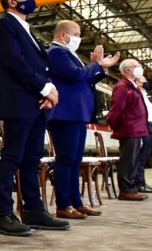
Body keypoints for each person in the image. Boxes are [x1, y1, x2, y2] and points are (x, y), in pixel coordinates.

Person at [0, 0, 70, 236]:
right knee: (12, 157)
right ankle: (3, 213)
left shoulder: (28, 30)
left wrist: (49, 90)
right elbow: (15, 62)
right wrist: (44, 89)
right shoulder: (5, 26)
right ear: (12, 2)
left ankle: (34, 210)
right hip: (19, 102)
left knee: (32, 158)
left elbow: (41, 67)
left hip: (34, 103)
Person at [46, 20, 118, 219]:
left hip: (76, 114)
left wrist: (101, 69)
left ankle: (76, 202)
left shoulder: (70, 55)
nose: (79, 38)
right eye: (76, 33)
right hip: (64, 114)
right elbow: (76, 76)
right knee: (66, 159)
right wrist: (95, 64)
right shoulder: (57, 52)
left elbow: (85, 78)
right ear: (63, 35)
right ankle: (64, 204)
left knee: (74, 159)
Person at [107, 60, 150, 201]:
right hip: (129, 128)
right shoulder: (122, 86)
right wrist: (113, 124)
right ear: (127, 70)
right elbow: (117, 108)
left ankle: (131, 188)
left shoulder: (132, 86)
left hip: (136, 129)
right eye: (136, 66)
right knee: (128, 160)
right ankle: (125, 190)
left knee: (133, 160)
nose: (140, 69)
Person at [134, 77, 152, 193]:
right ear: (138, 83)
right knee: (140, 158)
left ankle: (142, 182)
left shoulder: (145, 95)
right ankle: (138, 183)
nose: (146, 82)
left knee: (144, 157)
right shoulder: (138, 94)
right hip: (144, 126)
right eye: (143, 80)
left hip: (149, 126)